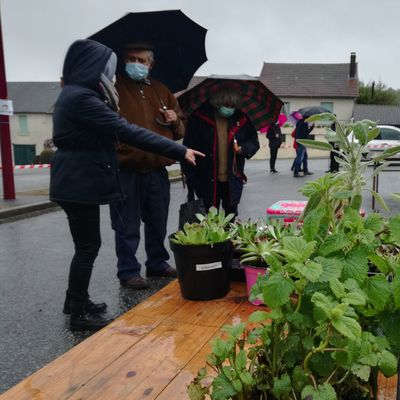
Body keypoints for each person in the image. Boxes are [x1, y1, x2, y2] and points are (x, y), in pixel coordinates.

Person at [50, 39, 203, 331]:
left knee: (88, 245)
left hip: (79, 180)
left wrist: (173, 131)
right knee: (88, 247)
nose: (114, 70)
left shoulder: (80, 94)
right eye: (110, 64)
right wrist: (180, 150)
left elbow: (169, 126)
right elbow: (125, 130)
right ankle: (79, 313)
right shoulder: (83, 98)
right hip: (79, 181)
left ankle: (76, 301)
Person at [109, 42, 186, 291]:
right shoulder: (113, 87)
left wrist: (175, 121)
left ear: (151, 64)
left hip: (156, 168)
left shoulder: (162, 91)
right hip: (126, 168)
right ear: (123, 60)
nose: (137, 64)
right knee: (126, 224)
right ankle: (128, 271)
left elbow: (181, 130)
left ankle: (157, 262)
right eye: (132, 59)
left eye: (142, 60)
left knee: (158, 220)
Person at [182, 85, 260, 217]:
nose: (229, 108)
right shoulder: (199, 118)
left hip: (232, 179)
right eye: (226, 104)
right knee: (209, 218)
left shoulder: (242, 119)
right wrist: (193, 179)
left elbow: (254, 142)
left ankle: (230, 238)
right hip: (206, 179)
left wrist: (244, 149)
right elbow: (188, 148)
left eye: (233, 105)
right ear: (217, 102)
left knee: (231, 216)